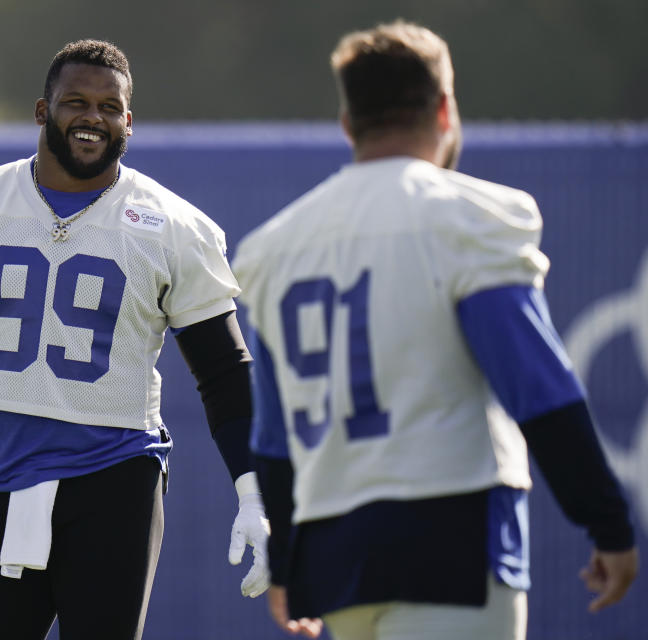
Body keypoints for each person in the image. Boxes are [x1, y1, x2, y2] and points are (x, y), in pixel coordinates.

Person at [232, 20, 638, 640]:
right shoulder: (468, 217)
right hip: (452, 541)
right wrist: (607, 523)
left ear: (348, 122)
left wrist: (288, 564)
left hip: (336, 561)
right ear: (445, 109)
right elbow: (541, 390)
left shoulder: (273, 247)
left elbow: (273, 438)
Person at [0, 39, 270, 640]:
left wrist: (255, 491)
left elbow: (223, 370)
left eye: (110, 107)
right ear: (42, 111)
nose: (93, 117)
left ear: (128, 122)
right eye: (75, 102)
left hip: (115, 476)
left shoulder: (173, 228)